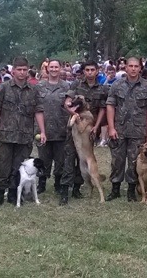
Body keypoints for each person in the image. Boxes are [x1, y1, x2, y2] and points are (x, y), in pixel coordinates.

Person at [0, 56, 46, 207]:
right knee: (3, 166)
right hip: (6, 135)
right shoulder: (3, 88)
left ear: (28, 71)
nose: (21, 73)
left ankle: (13, 195)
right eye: (18, 70)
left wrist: (43, 131)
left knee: (19, 168)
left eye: (24, 70)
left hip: (25, 136)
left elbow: (38, 111)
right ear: (13, 71)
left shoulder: (34, 90)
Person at [105, 57, 147, 202]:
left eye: (136, 66)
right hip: (119, 129)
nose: (133, 69)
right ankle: (115, 188)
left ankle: (131, 190)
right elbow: (110, 106)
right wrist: (111, 127)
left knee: (135, 161)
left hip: (138, 130)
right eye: (130, 66)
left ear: (140, 68)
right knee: (117, 160)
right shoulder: (116, 85)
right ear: (125, 68)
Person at [62, 60, 109, 205]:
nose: (89, 72)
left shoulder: (102, 88)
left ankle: (77, 187)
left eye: (92, 70)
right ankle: (65, 191)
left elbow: (102, 109)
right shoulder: (76, 85)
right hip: (75, 127)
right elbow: (67, 103)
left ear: (97, 71)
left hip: (90, 128)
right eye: (87, 70)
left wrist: (96, 126)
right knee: (69, 159)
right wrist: (74, 114)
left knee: (84, 159)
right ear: (83, 72)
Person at [36, 59, 71, 203]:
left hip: (61, 129)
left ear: (60, 68)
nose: (54, 69)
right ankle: (42, 183)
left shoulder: (66, 87)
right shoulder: (39, 87)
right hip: (43, 129)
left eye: (57, 67)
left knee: (60, 160)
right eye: (52, 67)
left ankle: (58, 184)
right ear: (47, 69)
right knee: (43, 158)